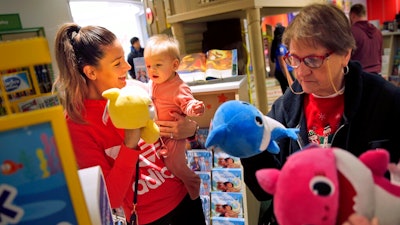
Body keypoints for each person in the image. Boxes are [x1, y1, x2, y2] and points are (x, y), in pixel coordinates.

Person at [239, 3, 400, 225]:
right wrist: (248, 146)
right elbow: (265, 190)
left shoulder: (386, 100)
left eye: (313, 60)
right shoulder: (286, 107)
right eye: (294, 59)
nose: (302, 72)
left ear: (345, 54)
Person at [53, 23, 205, 225]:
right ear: (91, 72)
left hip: (185, 199)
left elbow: (174, 123)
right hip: (147, 218)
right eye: (117, 63)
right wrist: (129, 144)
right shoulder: (76, 123)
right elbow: (112, 198)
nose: (128, 67)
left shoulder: (136, 89)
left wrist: (190, 129)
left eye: (124, 59)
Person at [144, 34, 205, 200]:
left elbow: (187, 103)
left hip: (174, 136)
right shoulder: (152, 84)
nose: (152, 70)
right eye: (148, 66)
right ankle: (178, 187)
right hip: (158, 134)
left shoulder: (178, 87)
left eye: (157, 65)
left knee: (175, 165)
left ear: (174, 65)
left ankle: (193, 183)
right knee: (163, 164)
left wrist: (194, 108)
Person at [349, 3, 383, 74]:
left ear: (352, 16)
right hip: (377, 75)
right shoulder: (377, 32)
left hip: (359, 76)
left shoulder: (351, 32)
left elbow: (346, 56)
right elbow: (380, 54)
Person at [270, 24, 294, 93]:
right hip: (282, 73)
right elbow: (283, 65)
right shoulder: (280, 48)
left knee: (288, 91)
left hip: (285, 71)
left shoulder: (283, 46)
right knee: (290, 91)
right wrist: (289, 80)